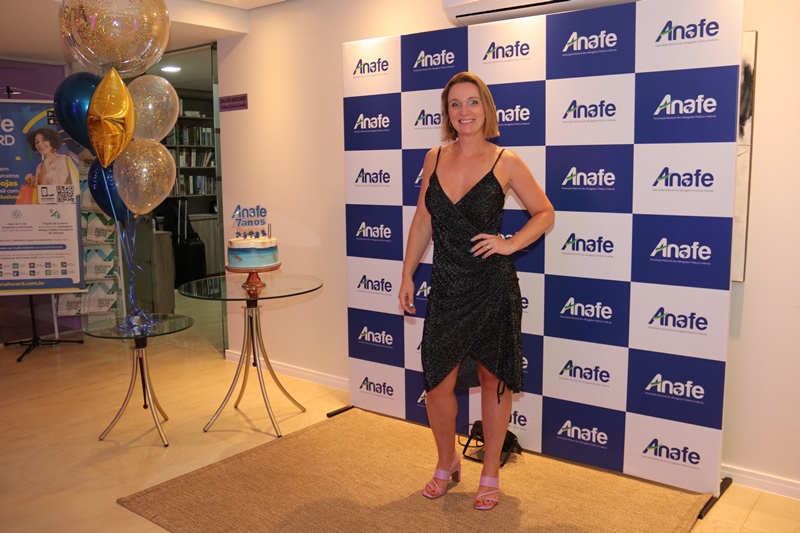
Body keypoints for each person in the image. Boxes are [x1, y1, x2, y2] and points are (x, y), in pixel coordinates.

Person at [398, 72, 555, 511]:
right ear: (446, 112)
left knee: (493, 380)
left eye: (472, 102)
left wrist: (510, 243)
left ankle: (490, 472)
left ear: (485, 108)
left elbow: (544, 212)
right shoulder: (434, 157)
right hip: (447, 285)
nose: (464, 111)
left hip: (491, 287)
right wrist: (407, 273)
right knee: (437, 384)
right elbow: (423, 219)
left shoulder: (506, 160)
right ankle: (446, 461)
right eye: (455, 104)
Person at [19, 127, 78, 203]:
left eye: (44, 140)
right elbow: (40, 192)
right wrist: (32, 182)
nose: (40, 144)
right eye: (37, 142)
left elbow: (58, 187)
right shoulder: (40, 166)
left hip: (60, 207)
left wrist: (47, 165)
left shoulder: (63, 160)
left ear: (52, 141)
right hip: (43, 207)